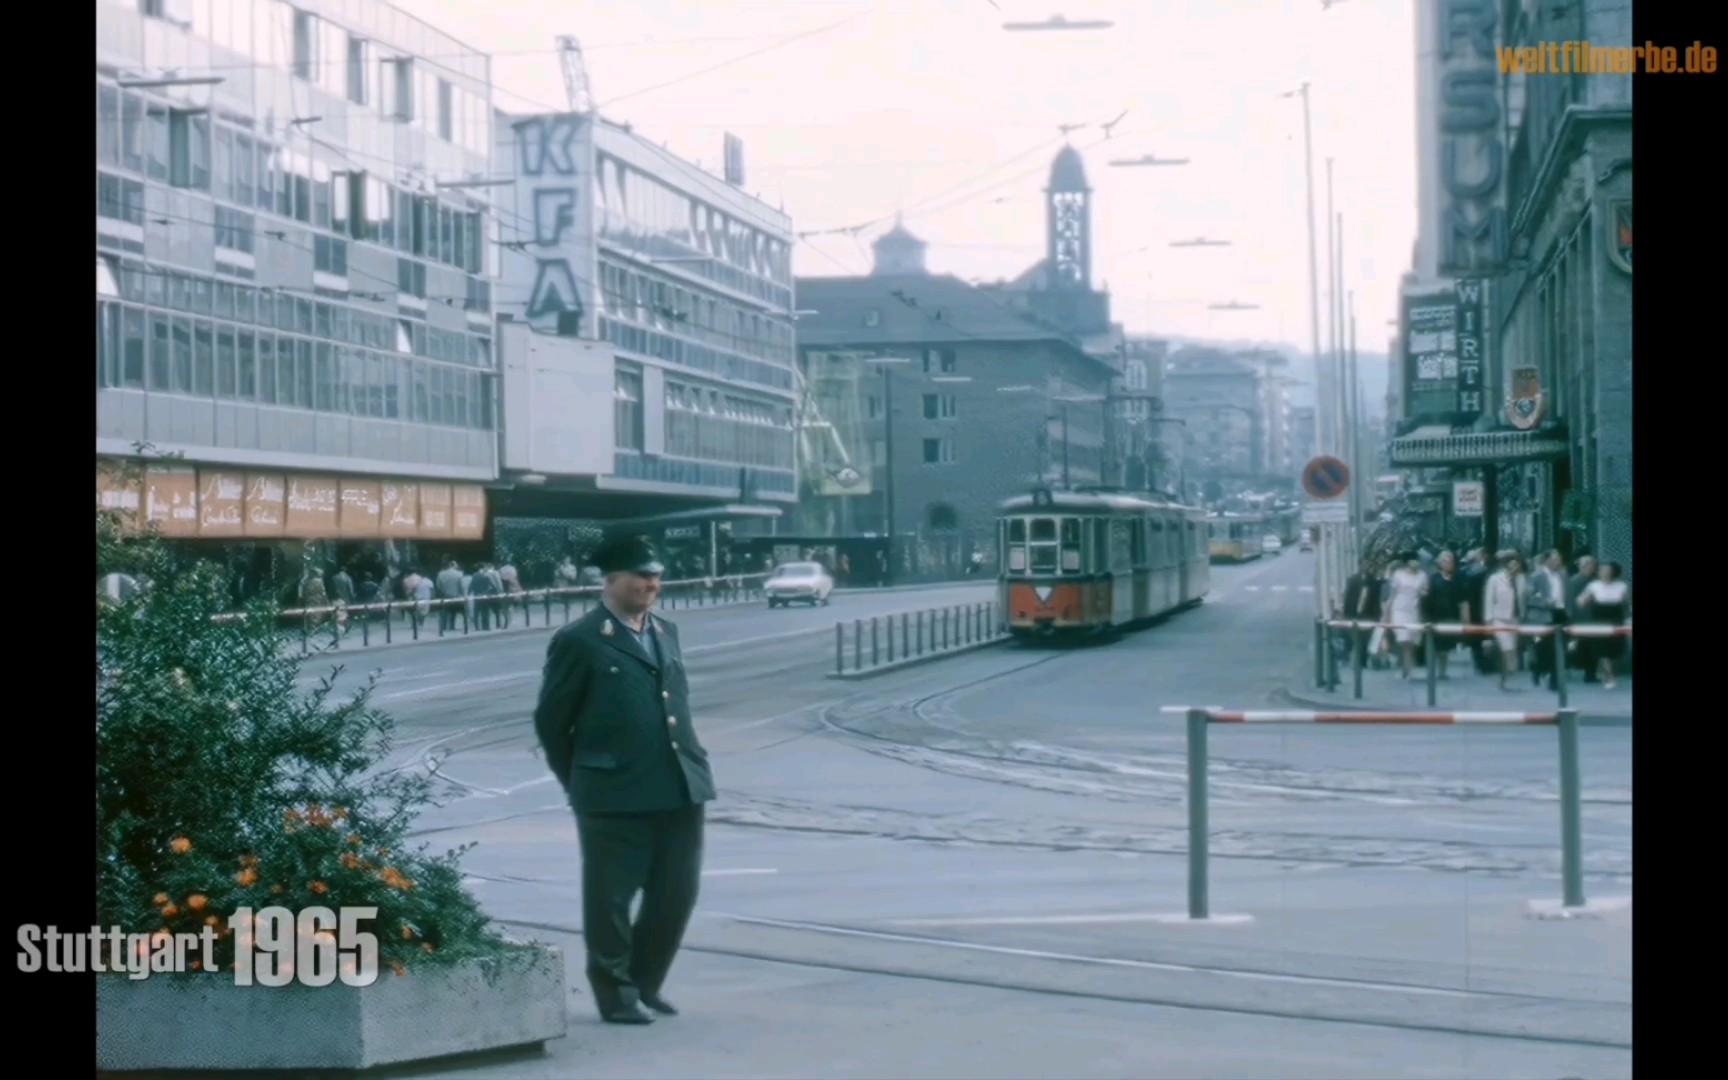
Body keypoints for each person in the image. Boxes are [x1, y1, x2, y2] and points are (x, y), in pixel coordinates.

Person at [533, 535, 717, 1025]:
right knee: (611, 898)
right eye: (641, 575)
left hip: (680, 785)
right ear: (611, 580)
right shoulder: (580, 640)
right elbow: (552, 723)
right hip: (612, 794)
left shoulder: (665, 630)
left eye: (656, 576)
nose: (651, 584)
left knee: (677, 893)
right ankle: (616, 994)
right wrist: (581, 780)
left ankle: (645, 982)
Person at [1577, 562, 1630, 688]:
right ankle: (1609, 676)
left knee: (1615, 650)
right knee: (1603, 649)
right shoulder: (1593, 585)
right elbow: (1581, 601)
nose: (1604, 572)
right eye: (1602, 570)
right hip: (1600, 619)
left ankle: (1610, 672)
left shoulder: (1622, 586)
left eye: (1607, 570)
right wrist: (1585, 600)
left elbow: (1627, 604)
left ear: (1613, 572)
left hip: (1616, 619)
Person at [1483, 552, 1529, 691]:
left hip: (1514, 618)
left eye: (1517, 564)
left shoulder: (1521, 579)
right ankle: (1504, 675)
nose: (1515, 567)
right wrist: (1488, 619)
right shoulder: (1495, 579)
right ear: (1507, 565)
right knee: (1506, 648)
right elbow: (1489, 599)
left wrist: (1523, 616)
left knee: (1512, 649)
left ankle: (1505, 678)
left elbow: (1523, 599)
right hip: (1499, 618)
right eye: (1512, 564)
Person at [1385, 553, 1428, 679]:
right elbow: (1392, 594)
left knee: (1413, 640)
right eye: (1414, 560)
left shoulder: (1422, 576)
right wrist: (1387, 612)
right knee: (1404, 639)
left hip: (1414, 610)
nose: (1417, 563)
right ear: (1408, 562)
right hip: (1399, 609)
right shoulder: (1398, 575)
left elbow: (1425, 591)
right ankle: (1408, 667)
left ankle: (1406, 666)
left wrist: (1423, 593)